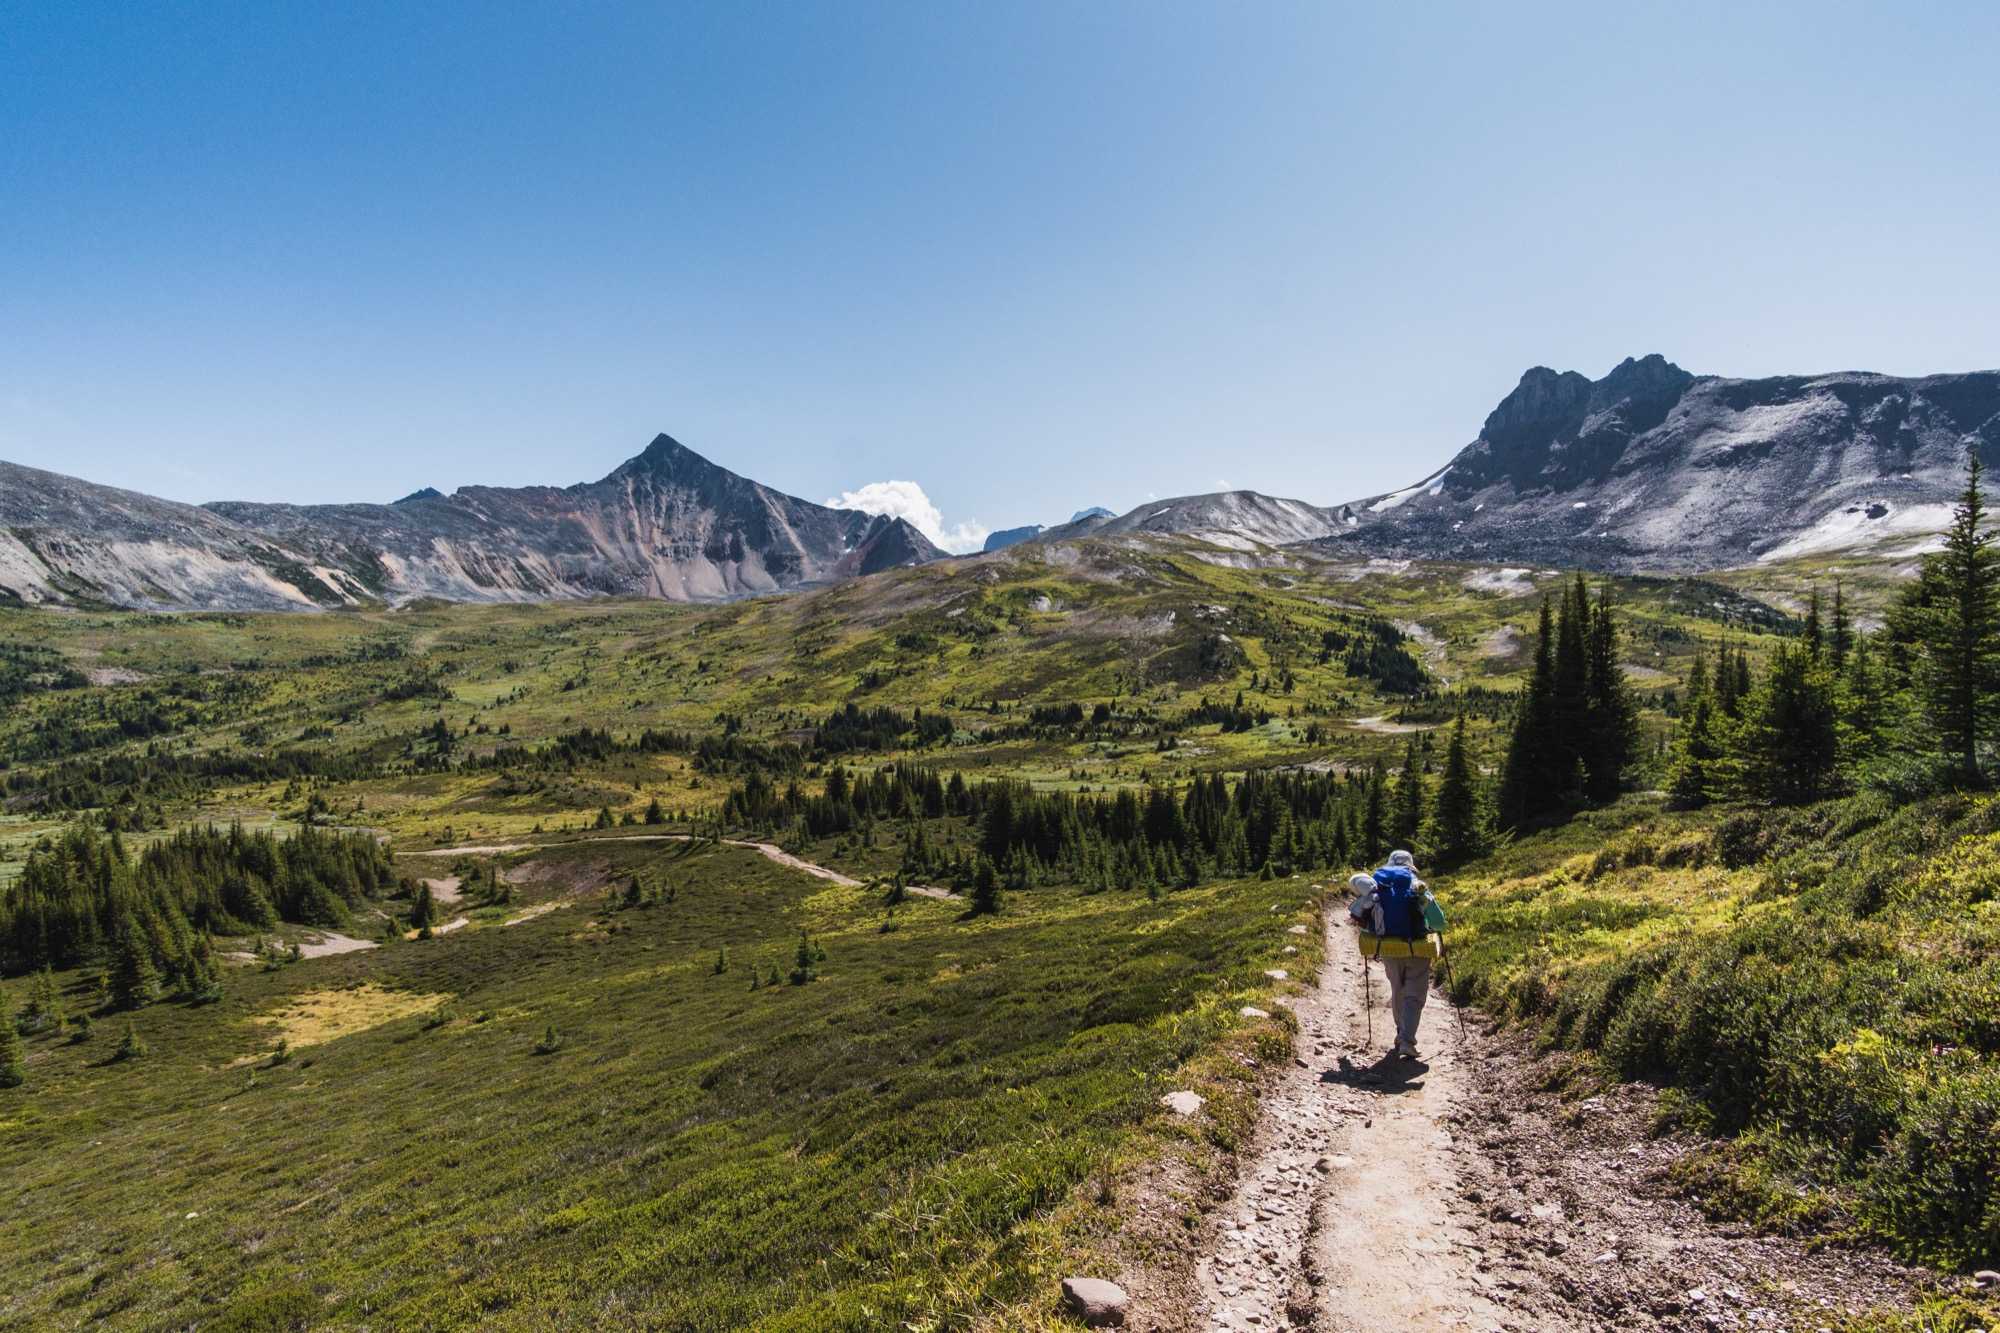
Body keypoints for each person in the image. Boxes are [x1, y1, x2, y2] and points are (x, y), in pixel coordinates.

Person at [1347, 850, 1447, 1059]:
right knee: (1414, 995)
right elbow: (1438, 922)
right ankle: (1407, 1041)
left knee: (1397, 990)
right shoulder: (1416, 886)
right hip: (1417, 949)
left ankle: (1400, 1032)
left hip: (1388, 948)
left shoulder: (1380, 884)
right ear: (1410, 867)